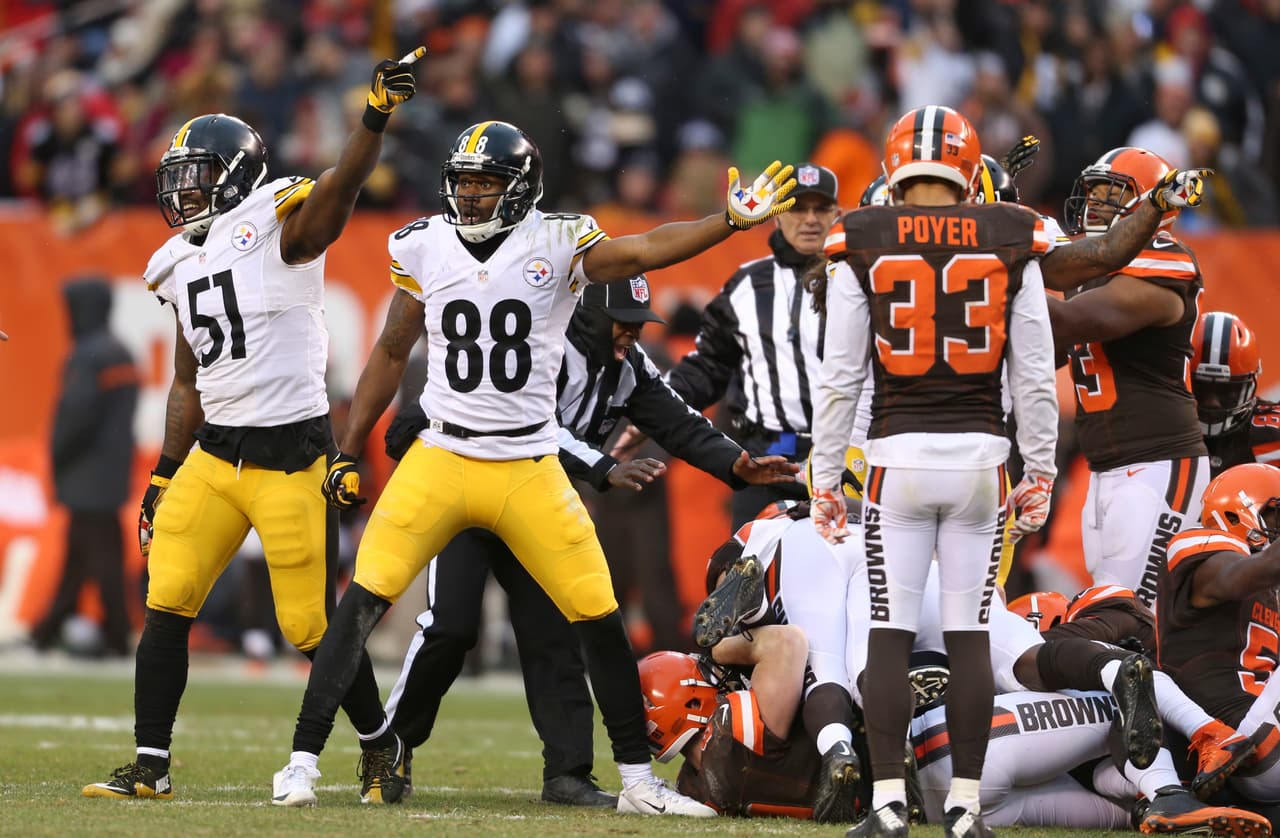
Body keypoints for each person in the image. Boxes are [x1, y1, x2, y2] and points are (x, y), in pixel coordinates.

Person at [272, 118, 798, 815]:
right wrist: (348, 447)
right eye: (465, 184)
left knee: (595, 613)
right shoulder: (424, 244)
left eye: (488, 184)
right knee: (367, 604)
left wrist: (725, 223)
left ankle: (635, 782)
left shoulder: (560, 243)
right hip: (445, 455)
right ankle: (305, 761)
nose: (473, 198)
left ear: (520, 190)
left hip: (526, 463)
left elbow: (644, 248)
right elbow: (393, 351)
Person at [81, 48, 427, 803]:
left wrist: (372, 117)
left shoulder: (277, 223)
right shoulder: (175, 258)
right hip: (214, 455)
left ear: (235, 174)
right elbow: (184, 379)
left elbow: (343, 186)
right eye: (178, 175)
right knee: (167, 598)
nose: (184, 189)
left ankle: (379, 747)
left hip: (290, 458)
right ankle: (151, 764)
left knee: (310, 627)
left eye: (198, 173)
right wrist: (167, 470)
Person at [381, 276, 798, 808]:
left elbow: (675, 419)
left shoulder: (628, 364)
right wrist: (604, 468)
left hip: (543, 508)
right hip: (474, 492)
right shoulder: (538, 344)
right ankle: (392, 744)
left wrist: (733, 463)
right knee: (450, 627)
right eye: (621, 319)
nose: (630, 332)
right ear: (585, 314)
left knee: (554, 635)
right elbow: (531, 424)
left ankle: (568, 773)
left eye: (637, 321)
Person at [810, 105, 1061, 838]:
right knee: (969, 636)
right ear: (967, 164)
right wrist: (1039, 465)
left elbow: (840, 376)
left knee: (887, 634)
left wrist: (826, 475)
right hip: (982, 462)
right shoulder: (1014, 231)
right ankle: (965, 810)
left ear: (895, 164)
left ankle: (890, 806)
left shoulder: (860, 236)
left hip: (896, 462)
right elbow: (1036, 372)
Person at [620, 163, 840, 528]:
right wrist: (654, 415)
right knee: (749, 577)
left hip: (843, 458)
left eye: (821, 209)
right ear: (777, 215)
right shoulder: (746, 286)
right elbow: (707, 367)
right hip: (771, 459)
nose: (811, 219)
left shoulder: (860, 279)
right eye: (798, 208)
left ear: (838, 214)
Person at [1045, 146, 1213, 607]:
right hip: (1105, 471)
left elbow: (1075, 322)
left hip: (1157, 465)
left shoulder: (1162, 259)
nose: (1095, 203)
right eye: (1092, 192)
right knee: (1112, 612)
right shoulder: (1087, 272)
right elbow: (1045, 347)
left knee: (1132, 619)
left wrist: (992, 270)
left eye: (1111, 193)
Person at [1157, 463, 1280, 805]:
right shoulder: (1200, 546)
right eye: (1276, 517)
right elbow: (1240, 576)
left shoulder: (1269, 587)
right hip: (1244, 744)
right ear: (1243, 513)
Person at [32, 277, 138, 658]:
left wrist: (57, 457)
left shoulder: (88, 355)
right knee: (81, 555)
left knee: (101, 558)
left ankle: (117, 633)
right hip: (110, 472)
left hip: (86, 473)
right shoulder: (121, 352)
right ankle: (48, 629)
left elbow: (76, 417)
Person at [639, 627, 822, 819]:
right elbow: (788, 641)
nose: (718, 679)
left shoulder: (692, 788)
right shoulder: (732, 731)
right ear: (692, 703)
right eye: (705, 675)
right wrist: (720, 649)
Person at [1191, 311, 1280, 477]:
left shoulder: (1271, 436)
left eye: (1226, 391)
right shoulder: (1156, 424)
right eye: (1201, 388)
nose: (1212, 403)